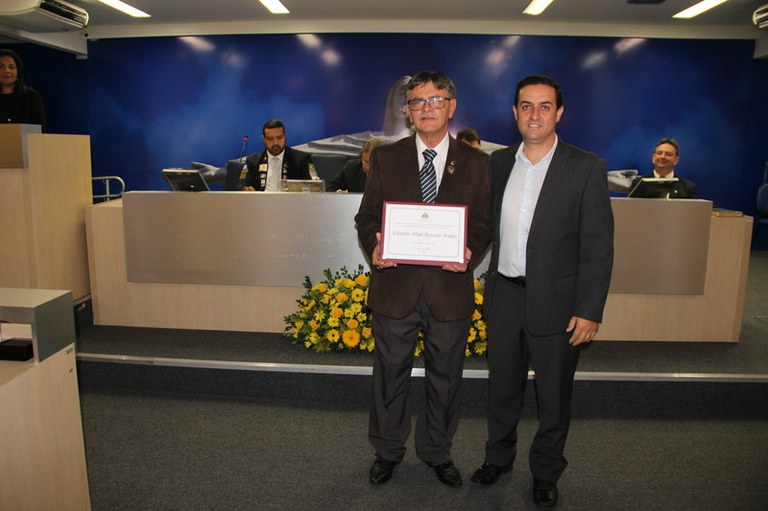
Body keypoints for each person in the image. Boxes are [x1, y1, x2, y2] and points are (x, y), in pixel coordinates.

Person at [469, 75, 613, 508]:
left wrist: (590, 309)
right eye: (526, 106)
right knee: (502, 390)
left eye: (544, 106)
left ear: (559, 113)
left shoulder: (586, 167)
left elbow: (598, 246)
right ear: (515, 112)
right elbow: (483, 225)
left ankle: (546, 472)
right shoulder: (498, 163)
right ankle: (498, 459)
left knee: (553, 395)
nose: (535, 115)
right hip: (505, 297)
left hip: (560, 304)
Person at [355, 70, 492, 488]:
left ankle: (436, 451)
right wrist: (374, 245)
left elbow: (484, 223)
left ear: (451, 106)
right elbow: (367, 217)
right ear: (409, 112)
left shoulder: (477, 162)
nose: (426, 108)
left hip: (449, 290)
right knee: (388, 377)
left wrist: (469, 251)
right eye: (417, 102)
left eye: (435, 100)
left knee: (446, 379)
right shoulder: (386, 158)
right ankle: (387, 450)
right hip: (395, 287)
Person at [238, 119, 314, 191]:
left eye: (279, 138)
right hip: (261, 200)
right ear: (263, 139)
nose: (275, 143)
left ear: (285, 136)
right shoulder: (253, 160)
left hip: (290, 200)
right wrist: (246, 189)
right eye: (270, 139)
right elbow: (242, 185)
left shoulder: (301, 159)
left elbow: (313, 186)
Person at [629, 138, 697, 198]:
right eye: (659, 153)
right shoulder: (638, 184)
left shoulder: (688, 188)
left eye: (668, 154)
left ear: (676, 160)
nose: (663, 157)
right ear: (653, 158)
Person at [0, 49, 46, 131]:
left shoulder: (31, 96)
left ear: (18, 71)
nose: (6, 70)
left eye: (11, 67)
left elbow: (40, 130)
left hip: (26, 139)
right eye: (1, 66)